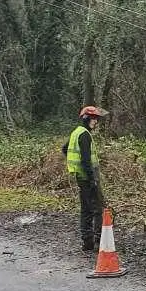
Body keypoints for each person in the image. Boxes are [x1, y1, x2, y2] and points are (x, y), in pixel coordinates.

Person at [62, 105, 108, 251]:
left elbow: (65, 149)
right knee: (97, 208)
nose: (96, 122)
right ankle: (99, 239)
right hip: (88, 177)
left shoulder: (77, 132)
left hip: (81, 177)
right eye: (94, 119)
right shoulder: (85, 135)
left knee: (86, 209)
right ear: (87, 118)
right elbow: (86, 160)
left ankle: (87, 241)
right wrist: (92, 179)